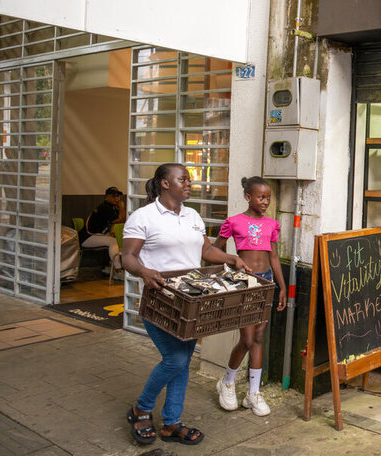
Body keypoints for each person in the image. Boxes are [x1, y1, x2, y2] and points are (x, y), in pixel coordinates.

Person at [120, 163, 249, 446]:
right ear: (165, 183)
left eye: (189, 180)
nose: (190, 184)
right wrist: (144, 271)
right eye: (184, 179)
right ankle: (141, 408)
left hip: (192, 300)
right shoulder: (143, 217)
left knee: (183, 362)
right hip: (161, 299)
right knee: (175, 359)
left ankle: (171, 423)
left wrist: (230, 258)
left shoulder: (192, 215)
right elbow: (127, 256)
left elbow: (204, 249)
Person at [213, 176, 287, 417]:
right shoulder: (233, 222)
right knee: (247, 339)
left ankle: (253, 393)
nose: (265, 201)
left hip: (266, 282)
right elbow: (216, 249)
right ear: (248, 197)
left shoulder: (272, 224)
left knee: (258, 336)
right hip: (244, 282)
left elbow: (273, 257)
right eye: (260, 197)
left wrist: (282, 287)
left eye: (268, 197)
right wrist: (225, 273)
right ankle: (227, 382)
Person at [79, 186, 126, 278]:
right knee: (113, 242)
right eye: (113, 196)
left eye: (117, 196)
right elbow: (121, 220)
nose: (116, 199)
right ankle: (118, 270)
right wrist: (122, 207)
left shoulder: (111, 207)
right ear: (107, 197)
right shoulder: (104, 207)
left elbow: (113, 224)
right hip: (86, 237)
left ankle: (110, 267)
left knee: (114, 239)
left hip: (96, 235)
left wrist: (112, 233)